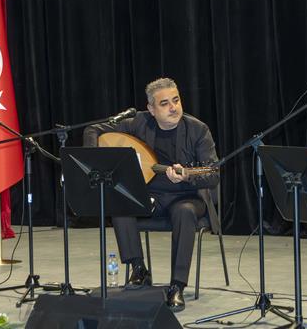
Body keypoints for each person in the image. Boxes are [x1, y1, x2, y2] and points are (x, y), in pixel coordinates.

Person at [83, 77, 219, 312]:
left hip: (187, 196)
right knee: (120, 203)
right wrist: (94, 158)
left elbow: (213, 173)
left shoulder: (198, 129)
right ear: (151, 109)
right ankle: (139, 269)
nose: (173, 107)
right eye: (164, 103)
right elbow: (93, 129)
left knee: (185, 212)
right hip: (150, 196)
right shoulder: (138, 123)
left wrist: (187, 175)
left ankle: (176, 286)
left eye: (176, 100)